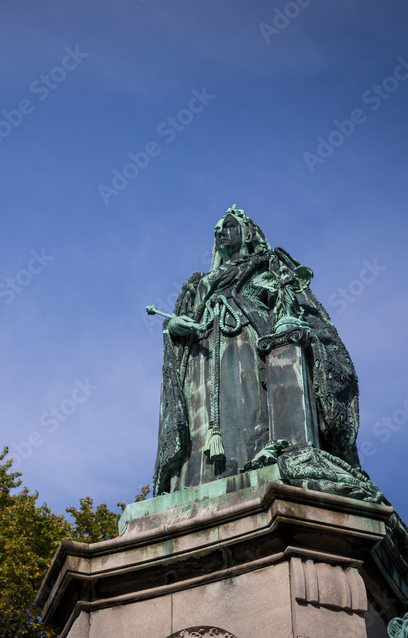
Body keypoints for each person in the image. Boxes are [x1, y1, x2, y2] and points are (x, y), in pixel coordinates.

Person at [152, 206, 361, 494]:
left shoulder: (267, 266)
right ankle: (196, 483)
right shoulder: (198, 283)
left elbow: (291, 306)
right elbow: (177, 329)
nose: (220, 235)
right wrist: (174, 326)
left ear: (247, 233)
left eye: (227, 227)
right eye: (216, 232)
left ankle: (257, 462)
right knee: (203, 420)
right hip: (200, 358)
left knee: (247, 408)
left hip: (248, 345)